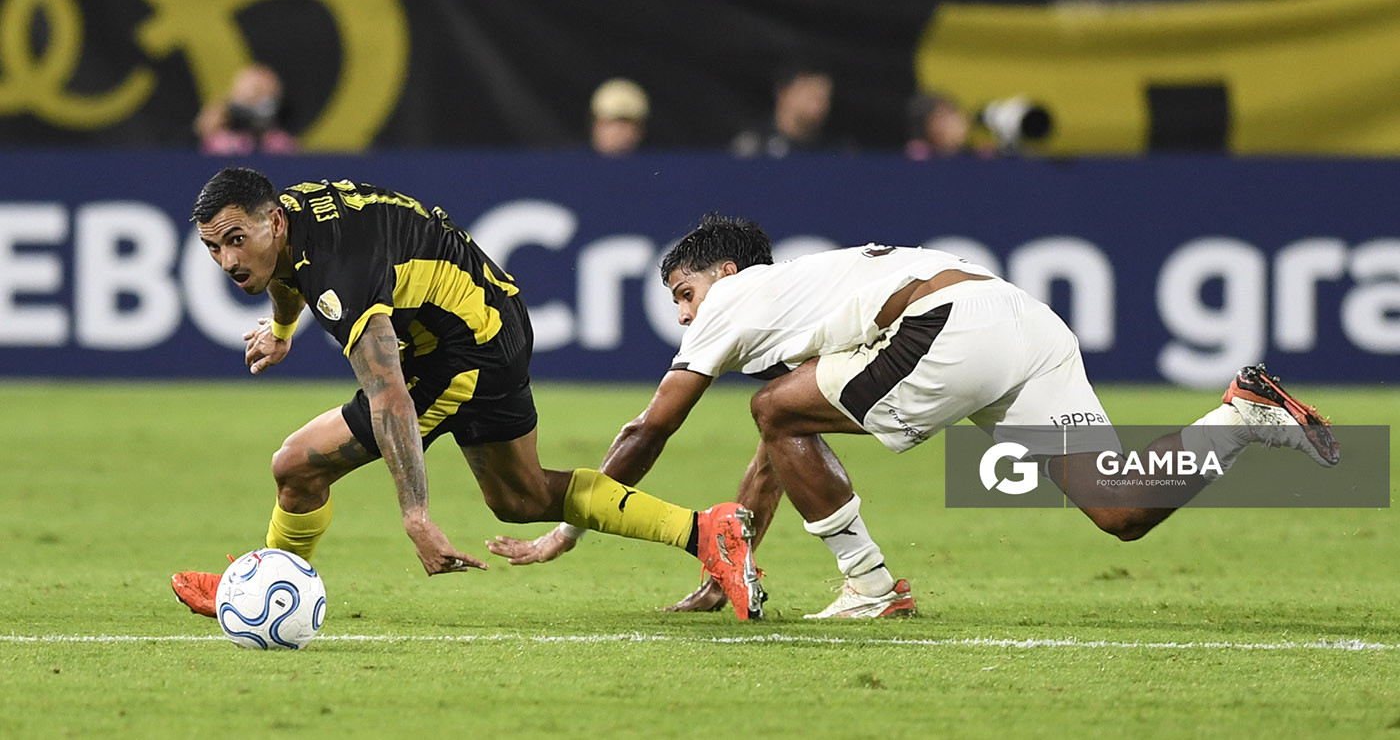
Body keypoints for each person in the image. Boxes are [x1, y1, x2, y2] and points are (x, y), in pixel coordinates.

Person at [488, 213, 1340, 619]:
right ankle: (1242, 416)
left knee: (774, 409)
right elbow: (777, 448)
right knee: (1119, 509)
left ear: (721, 269)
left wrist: (573, 525)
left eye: (684, 293)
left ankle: (869, 586)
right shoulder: (799, 303)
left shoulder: (736, 296)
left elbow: (651, 429)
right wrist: (729, 560)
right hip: (1019, 321)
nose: (684, 314)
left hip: (947, 325)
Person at [170, 170, 765, 621]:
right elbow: (284, 272)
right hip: (492, 318)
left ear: (273, 222)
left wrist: (416, 514)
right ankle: (706, 531)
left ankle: (255, 589)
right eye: (214, 248)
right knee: (521, 496)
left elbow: (391, 398)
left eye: (235, 241)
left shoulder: (338, 268)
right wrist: (280, 330)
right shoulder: (290, 216)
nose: (227, 261)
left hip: (463, 347)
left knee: (296, 466)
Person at [730, 62, 836, 157]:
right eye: (811, 97)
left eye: (825, 99)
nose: (819, 106)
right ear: (783, 93)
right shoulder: (753, 146)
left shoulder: (834, 152)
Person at [194, 64, 299, 155]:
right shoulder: (219, 143)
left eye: (269, 95)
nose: (263, 101)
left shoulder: (280, 142)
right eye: (256, 92)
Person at [589, 78, 649, 156]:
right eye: (610, 122)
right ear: (595, 124)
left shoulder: (655, 165)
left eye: (626, 122)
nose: (618, 131)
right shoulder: (574, 163)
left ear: (640, 129)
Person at [903, 91, 972, 159]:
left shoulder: (974, 156)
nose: (949, 124)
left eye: (952, 113)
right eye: (941, 116)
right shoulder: (917, 156)